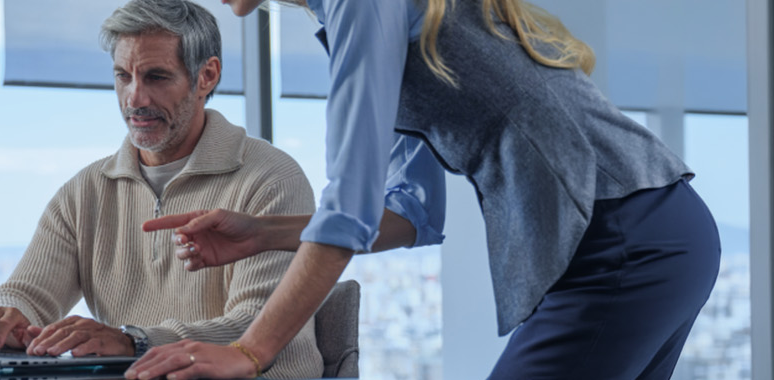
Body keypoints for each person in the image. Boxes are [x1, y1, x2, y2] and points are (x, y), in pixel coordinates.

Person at [128, 0, 720, 378]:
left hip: (620, 241)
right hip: (655, 231)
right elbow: (408, 215)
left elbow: (349, 205)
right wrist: (264, 234)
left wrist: (250, 352)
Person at [0, 0, 323, 377]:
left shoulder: (272, 179)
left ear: (206, 76)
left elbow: (258, 331)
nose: (135, 99)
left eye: (156, 77)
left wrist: (136, 340)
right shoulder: (84, 193)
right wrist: (6, 317)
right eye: (123, 76)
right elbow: (27, 293)